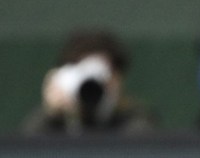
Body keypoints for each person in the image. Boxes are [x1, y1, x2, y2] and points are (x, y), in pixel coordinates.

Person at [22, 30, 157, 136]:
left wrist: (112, 109)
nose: (90, 85)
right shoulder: (52, 123)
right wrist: (50, 114)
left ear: (117, 79)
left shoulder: (135, 120)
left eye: (101, 75)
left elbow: (141, 147)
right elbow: (26, 156)